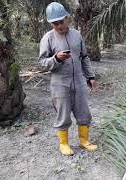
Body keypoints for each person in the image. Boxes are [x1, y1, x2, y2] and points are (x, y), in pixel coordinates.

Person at [39, 2, 98, 156]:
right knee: (63, 113)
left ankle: (84, 140)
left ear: (67, 18)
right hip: (59, 82)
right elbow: (42, 64)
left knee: (83, 111)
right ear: (51, 23)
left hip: (79, 80)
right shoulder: (48, 38)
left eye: (61, 21)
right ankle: (64, 143)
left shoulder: (77, 35)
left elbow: (84, 57)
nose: (59, 26)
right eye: (55, 23)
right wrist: (56, 59)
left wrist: (90, 76)